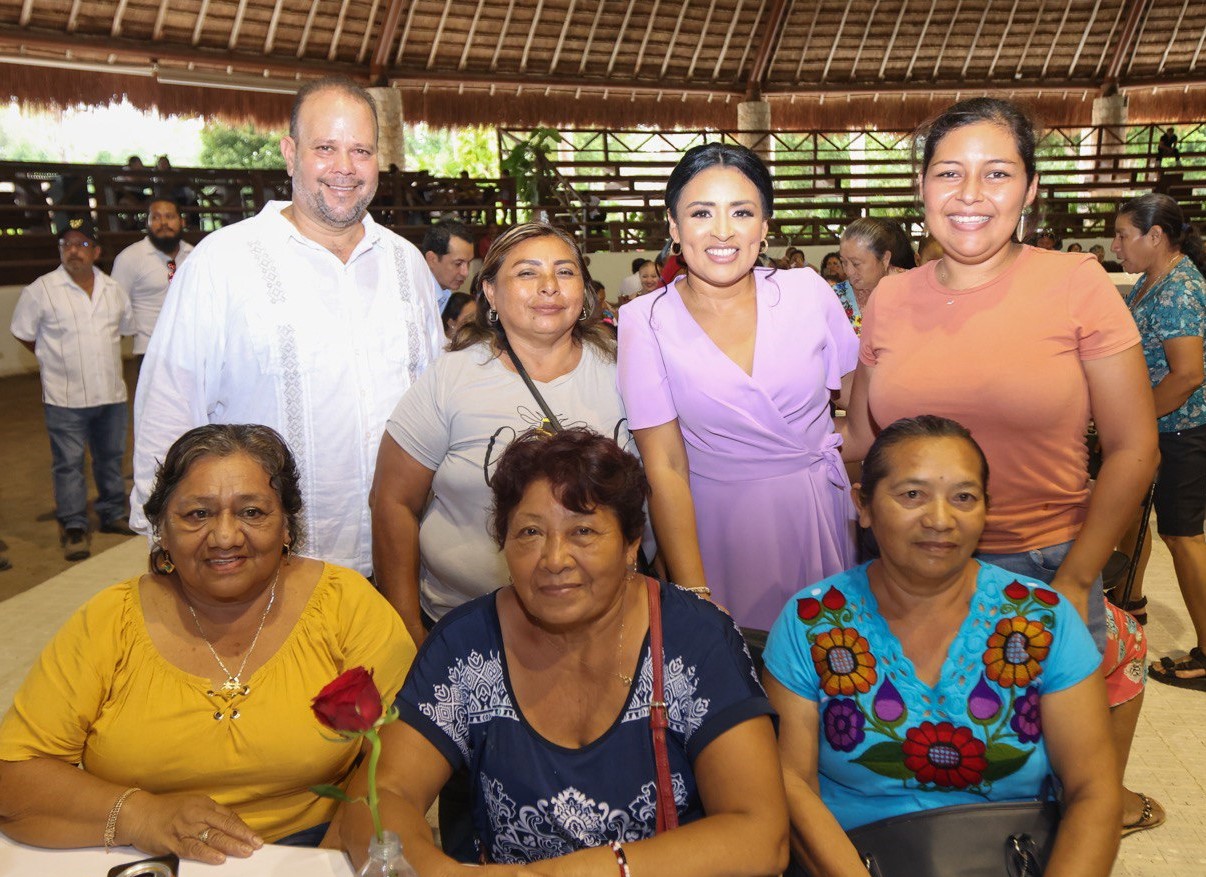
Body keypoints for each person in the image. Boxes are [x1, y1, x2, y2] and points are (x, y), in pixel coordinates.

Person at [844, 96, 1162, 835]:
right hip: (907, 573)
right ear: (921, 186)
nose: (970, 194)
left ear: (1030, 188)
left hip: (1042, 565)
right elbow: (863, 439)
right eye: (949, 172)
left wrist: (1077, 578)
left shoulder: (1076, 282)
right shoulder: (890, 296)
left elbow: (1133, 446)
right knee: (928, 778)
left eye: (996, 173)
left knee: (1044, 789)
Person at [335, 427, 787, 874]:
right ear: (504, 546)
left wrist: (588, 871)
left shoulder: (696, 639)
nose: (554, 559)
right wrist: (442, 872)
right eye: (530, 532)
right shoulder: (466, 647)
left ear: (632, 544)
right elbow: (378, 797)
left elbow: (760, 835)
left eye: (583, 531)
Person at [0, 424, 415, 863]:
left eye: (252, 512)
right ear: (162, 528)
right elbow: (16, 776)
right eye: (197, 514)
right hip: (142, 853)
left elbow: (407, 754)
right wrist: (142, 816)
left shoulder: (345, 605)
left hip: (315, 847)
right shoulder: (109, 622)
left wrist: (322, 861)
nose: (224, 536)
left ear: (287, 527)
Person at [765, 416, 1120, 876]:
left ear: (986, 510)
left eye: (964, 497)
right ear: (864, 505)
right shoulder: (811, 622)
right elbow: (790, 783)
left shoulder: (1042, 619)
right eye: (912, 494)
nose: (939, 519)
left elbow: (1094, 791)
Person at [131, 77, 444, 578]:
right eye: (325, 148)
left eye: (360, 150)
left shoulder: (406, 264)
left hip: (402, 559)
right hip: (267, 565)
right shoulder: (224, 261)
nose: (345, 167)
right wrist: (165, 540)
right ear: (290, 153)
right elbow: (170, 404)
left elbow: (434, 402)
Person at [618, 143, 859, 632]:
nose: (723, 231)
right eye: (701, 212)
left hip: (821, 516)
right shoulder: (643, 320)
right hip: (715, 533)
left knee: (831, 675)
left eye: (742, 212)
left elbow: (861, 404)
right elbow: (663, 466)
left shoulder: (808, 293)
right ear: (673, 226)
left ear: (764, 226)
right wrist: (693, 592)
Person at [371, 222, 636, 649]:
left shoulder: (627, 371)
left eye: (565, 272)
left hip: (607, 624)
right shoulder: (450, 379)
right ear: (491, 293)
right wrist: (406, 630)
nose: (549, 286)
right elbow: (392, 502)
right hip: (464, 627)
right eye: (527, 273)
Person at [1112, 194, 1206, 689]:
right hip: (1161, 425)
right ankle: (1130, 601)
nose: (1116, 244)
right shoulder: (1154, 281)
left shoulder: (1179, 290)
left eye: (1124, 234)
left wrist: (1136, 413)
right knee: (1132, 514)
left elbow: (1187, 374)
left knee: (1183, 536)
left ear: (1156, 236)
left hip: (1182, 428)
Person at [10, 219, 135, 561]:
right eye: (67, 245)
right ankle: (75, 524)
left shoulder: (114, 290)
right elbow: (23, 332)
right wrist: (54, 360)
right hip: (64, 397)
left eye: (81, 244)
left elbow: (123, 331)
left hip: (110, 394)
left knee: (110, 458)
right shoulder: (42, 290)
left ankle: (112, 513)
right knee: (68, 463)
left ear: (96, 251)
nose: (73, 251)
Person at [110, 198, 193, 368]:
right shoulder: (130, 258)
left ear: (182, 221)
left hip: (190, 349)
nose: (163, 223)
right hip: (150, 351)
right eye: (155, 217)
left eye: (169, 216)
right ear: (147, 223)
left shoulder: (194, 255)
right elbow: (115, 304)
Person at [832, 217, 916, 335]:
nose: (849, 272)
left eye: (856, 264)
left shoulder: (915, 287)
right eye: (844, 262)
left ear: (885, 259)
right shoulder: (836, 296)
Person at [421, 221, 474, 312]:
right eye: (458, 263)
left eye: (468, 263)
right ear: (432, 259)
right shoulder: (416, 298)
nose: (466, 273)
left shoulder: (445, 295)